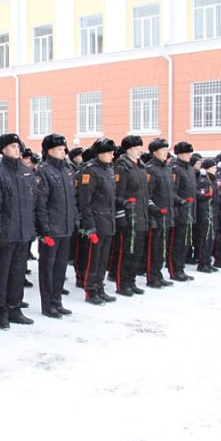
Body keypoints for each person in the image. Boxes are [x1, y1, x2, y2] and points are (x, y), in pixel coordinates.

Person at [0, 133, 36, 329]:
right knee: (4, 274)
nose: (17, 149)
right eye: (12, 146)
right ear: (3, 150)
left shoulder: (26, 172)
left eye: (18, 146)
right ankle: (1, 312)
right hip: (7, 233)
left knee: (18, 273)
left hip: (23, 232)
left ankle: (15, 308)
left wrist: (31, 227)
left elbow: (32, 203)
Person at [34, 133, 77, 317]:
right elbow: (40, 203)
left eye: (64, 148)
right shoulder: (44, 171)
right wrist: (44, 228)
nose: (63, 152)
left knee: (60, 267)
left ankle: (57, 301)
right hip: (51, 229)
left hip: (65, 227)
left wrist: (73, 219)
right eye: (59, 149)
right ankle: (48, 304)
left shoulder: (67, 170)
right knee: (48, 269)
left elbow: (72, 199)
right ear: (50, 150)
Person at [77, 138, 118, 305]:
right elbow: (85, 201)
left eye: (112, 152)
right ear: (100, 153)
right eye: (108, 152)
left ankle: (100, 287)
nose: (111, 155)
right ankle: (91, 290)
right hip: (96, 221)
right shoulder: (90, 170)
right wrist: (90, 225)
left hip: (108, 221)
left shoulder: (109, 170)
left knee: (103, 259)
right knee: (93, 259)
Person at [113, 135, 155, 297]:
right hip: (129, 216)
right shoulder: (122, 167)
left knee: (137, 251)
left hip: (141, 215)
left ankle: (131, 281)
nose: (140, 151)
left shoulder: (140, 167)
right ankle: (122, 283)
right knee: (126, 252)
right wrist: (122, 213)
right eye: (137, 148)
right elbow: (117, 195)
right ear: (128, 149)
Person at [145, 138, 175, 288]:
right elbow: (147, 195)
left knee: (162, 248)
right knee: (154, 248)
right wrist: (154, 210)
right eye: (162, 150)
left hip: (167, 215)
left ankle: (158, 274)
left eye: (166, 150)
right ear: (155, 152)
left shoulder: (167, 169)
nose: (166, 153)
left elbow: (170, 193)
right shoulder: (150, 169)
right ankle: (152, 276)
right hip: (156, 216)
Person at [169, 142, 196, 282]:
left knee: (185, 242)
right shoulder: (175, 169)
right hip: (180, 211)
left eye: (190, 153)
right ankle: (174, 269)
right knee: (177, 243)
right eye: (187, 153)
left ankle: (180, 268)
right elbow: (172, 192)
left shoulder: (189, 169)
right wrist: (182, 201)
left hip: (190, 211)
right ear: (179, 154)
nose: (189, 155)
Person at [194, 159, 219, 273]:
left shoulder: (212, 180)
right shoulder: (203, 181)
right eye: (213, 167)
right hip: (206, 213)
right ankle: (203, 263)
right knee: (205, 239)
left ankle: (208, 261)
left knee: (211, 239)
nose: (215, 169)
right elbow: (201, 196)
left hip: (212, 212)